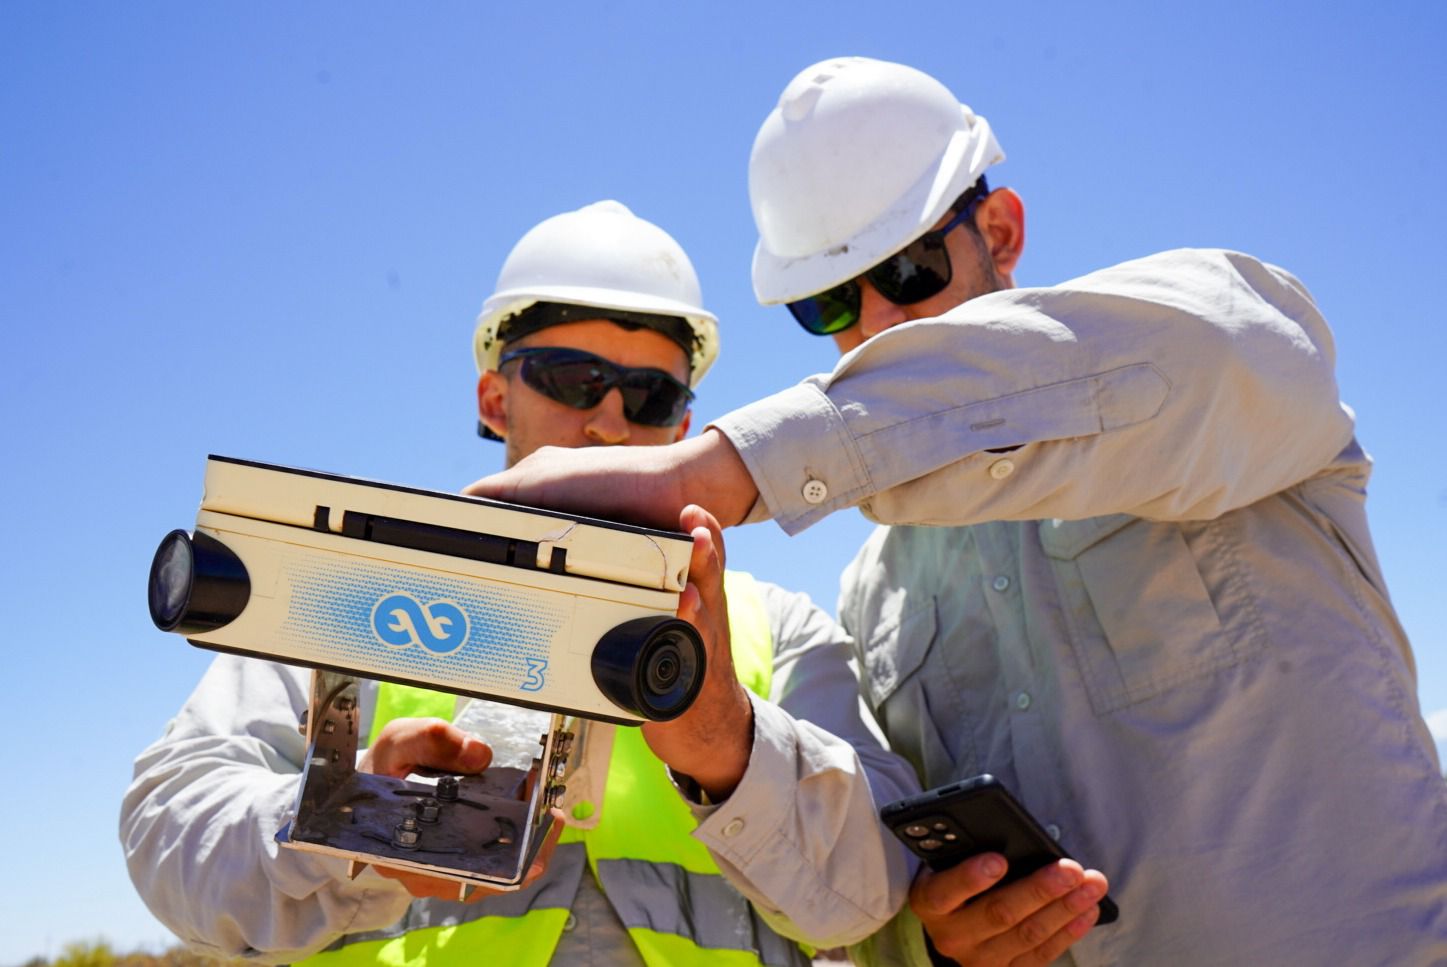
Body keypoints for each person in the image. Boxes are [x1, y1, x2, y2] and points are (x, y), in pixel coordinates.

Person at [466, 60, 1447, 966]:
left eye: (906, 271)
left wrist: (729, 469)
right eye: (830, 306)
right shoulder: (874, 593)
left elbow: (1212, 357)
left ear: (1003, 233)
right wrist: (945, 935)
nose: (878, 324)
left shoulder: (1216, 359)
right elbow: (885, 885)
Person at [120, 200, 920, 967]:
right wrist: (347, 821)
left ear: (682, 426)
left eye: (650, 395)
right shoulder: (350, 594)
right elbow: (169, 836)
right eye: (572, 378)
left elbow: (873, 893)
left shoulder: (775, 629)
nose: (609, 420)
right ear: (495, 397)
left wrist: (726, 742)